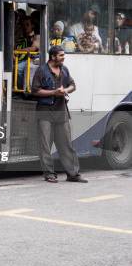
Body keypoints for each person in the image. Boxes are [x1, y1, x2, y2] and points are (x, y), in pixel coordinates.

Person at [31, 46, 87, 183]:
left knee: (66, 143)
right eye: (61, 55)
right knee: (45, 145)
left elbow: (73, 85)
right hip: (45, 112)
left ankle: (73, 174)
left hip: (61, 111)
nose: (63, 57)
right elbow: (35, 91)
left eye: (63, 55)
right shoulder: (41, 71)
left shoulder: (64, 69)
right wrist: (53, 93)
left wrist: (65, 90)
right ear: (53, 57)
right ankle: (49, 173)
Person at [15, 16, 40, 90]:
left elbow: (33, 48)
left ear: (33, 25)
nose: (25, 27)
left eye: (27, 25)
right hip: (21, 59)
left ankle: (23, 89)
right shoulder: (22, 36)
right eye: (23, 25)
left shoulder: (37, 36)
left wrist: (18, 52)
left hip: (32, 59)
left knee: (19, 68)